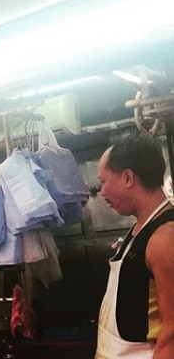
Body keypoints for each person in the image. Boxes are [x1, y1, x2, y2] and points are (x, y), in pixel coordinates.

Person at [95, 131, 174, 359]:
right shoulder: (141, 227)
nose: (102, 192)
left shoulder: (164, 237)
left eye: (104, 182)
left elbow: (172, 333)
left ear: (128, 178)